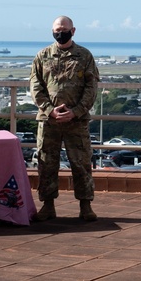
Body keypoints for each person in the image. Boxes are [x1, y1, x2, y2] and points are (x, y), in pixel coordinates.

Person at [30, 15, 100, 222]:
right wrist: (50, 109)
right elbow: (36, 87)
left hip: (76, 121)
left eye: (64, 29)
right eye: (57, 29)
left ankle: (85, 206)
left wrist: (76, 111)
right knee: (46, 164)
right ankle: (48, 205)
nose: (60, 32)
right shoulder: (42, 56)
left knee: (81, 163)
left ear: (73, 30)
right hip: (49, 120)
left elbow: (91, 87)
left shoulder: (84, 56)